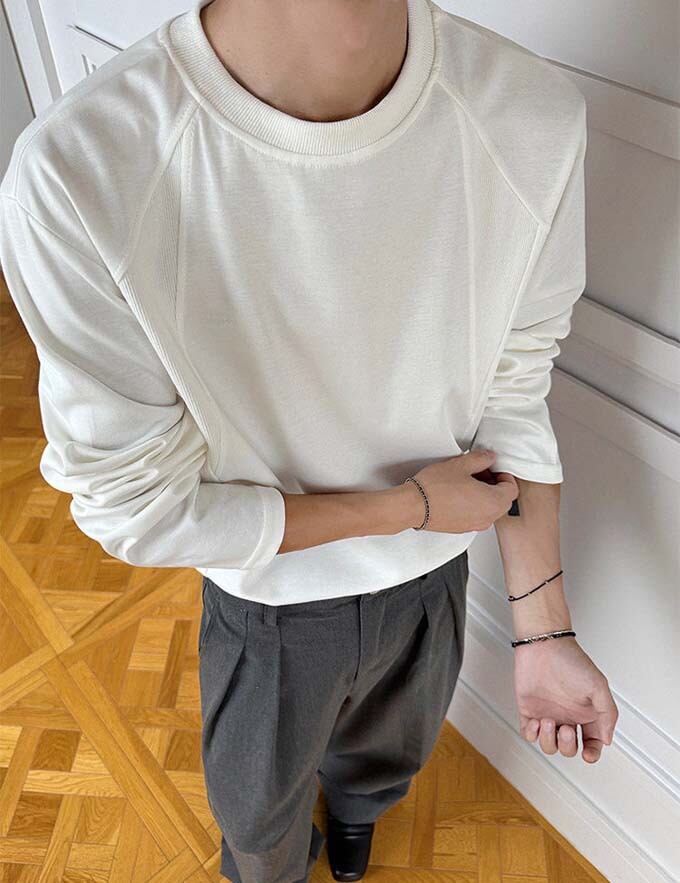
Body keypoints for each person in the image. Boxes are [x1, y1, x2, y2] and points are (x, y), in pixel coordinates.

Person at [0, 0, 619, 880]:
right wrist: (406, 507)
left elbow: (514, 387)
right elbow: (138, 509)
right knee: (258, 817)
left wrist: (543, 631)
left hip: (433, 575)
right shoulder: (84, 166)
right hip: (269, 596)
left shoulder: (531, 115)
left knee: (390, 758)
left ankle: (357, 822)